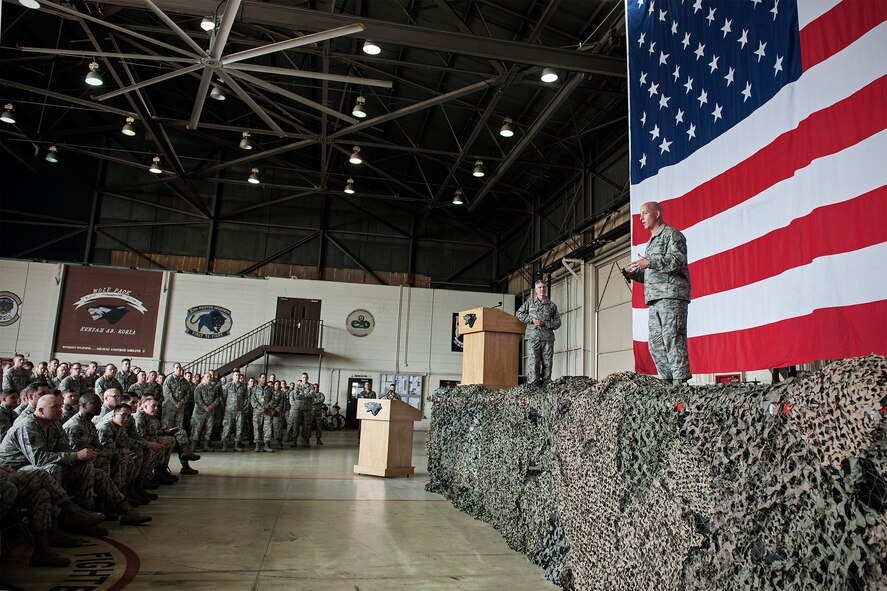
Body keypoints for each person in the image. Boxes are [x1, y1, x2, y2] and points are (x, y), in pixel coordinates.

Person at [625, 201, 692, 384]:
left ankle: (680, 384)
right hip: (655, 298)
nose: (641, 218)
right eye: (640, 215)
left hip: (671, 296)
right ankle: (667, 382)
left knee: (672, 338)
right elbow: (651, 274)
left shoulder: (672, 235)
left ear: (657, 213)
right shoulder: (650, 243)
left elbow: (677, 261)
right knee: (655, 344)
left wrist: (649, 263)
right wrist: (635, 274)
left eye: (644, 213)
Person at [516, 279, 561, 385]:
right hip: (533, 337)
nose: (542, 289)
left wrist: (545, 323)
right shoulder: (529, 303)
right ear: (536, 290)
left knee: (547, 362)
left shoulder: (552, 306)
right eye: (540, 287)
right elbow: (519, 313)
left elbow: (558, 322)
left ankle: (546, 385)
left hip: (547, 338)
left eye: (544, 287)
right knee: (533, 362)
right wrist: (531, 320)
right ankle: (534, 385)